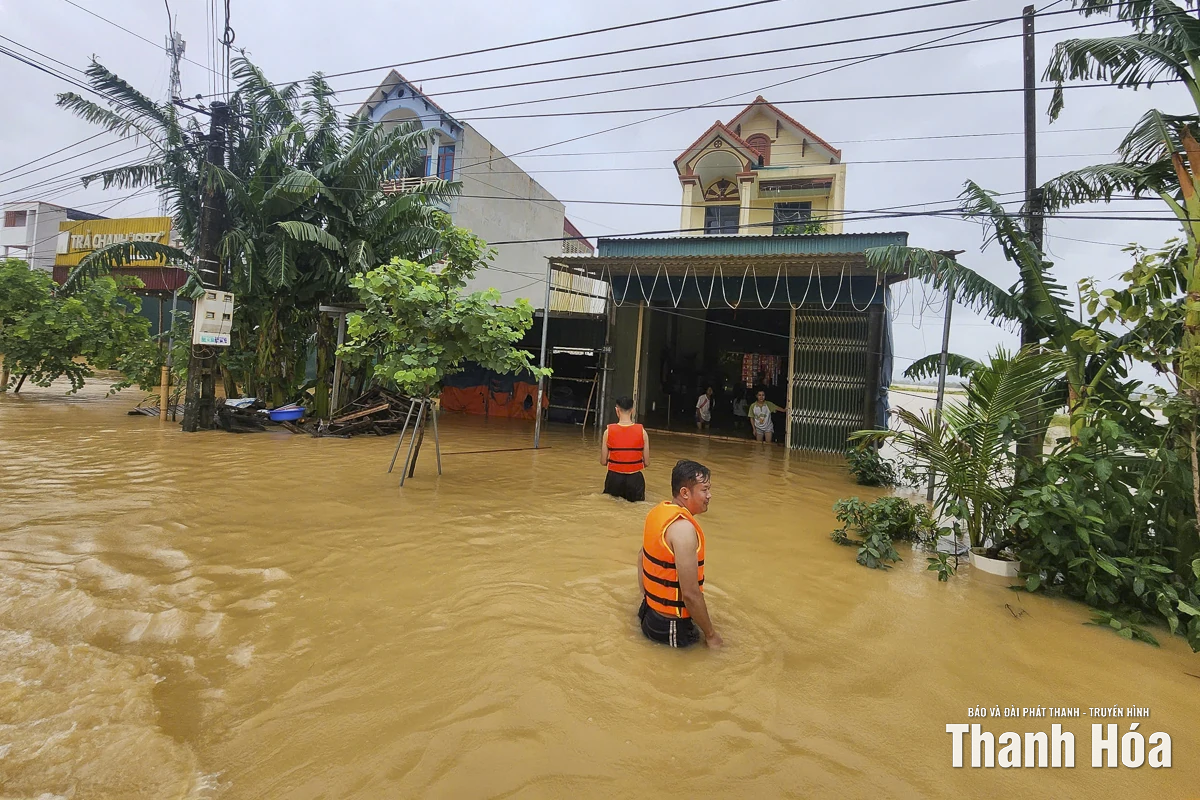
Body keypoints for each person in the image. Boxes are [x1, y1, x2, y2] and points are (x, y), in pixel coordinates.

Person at [637, 460, 722, 649]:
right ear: (685, 492)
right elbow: (690, 594)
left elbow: (641, 556)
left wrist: (648, 599)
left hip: (648, 613)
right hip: (670, 628)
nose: (709, 495)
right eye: (705, 490)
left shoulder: (658, 513)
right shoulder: (683, 529)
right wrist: (711, 635)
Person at [601, 396, 649, 502]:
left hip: (614, 478)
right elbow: (647, 462)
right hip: (635, 479)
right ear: (633, 410)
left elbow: (603, 462)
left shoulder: (608, 432)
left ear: (617, 410)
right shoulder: (643, 432)